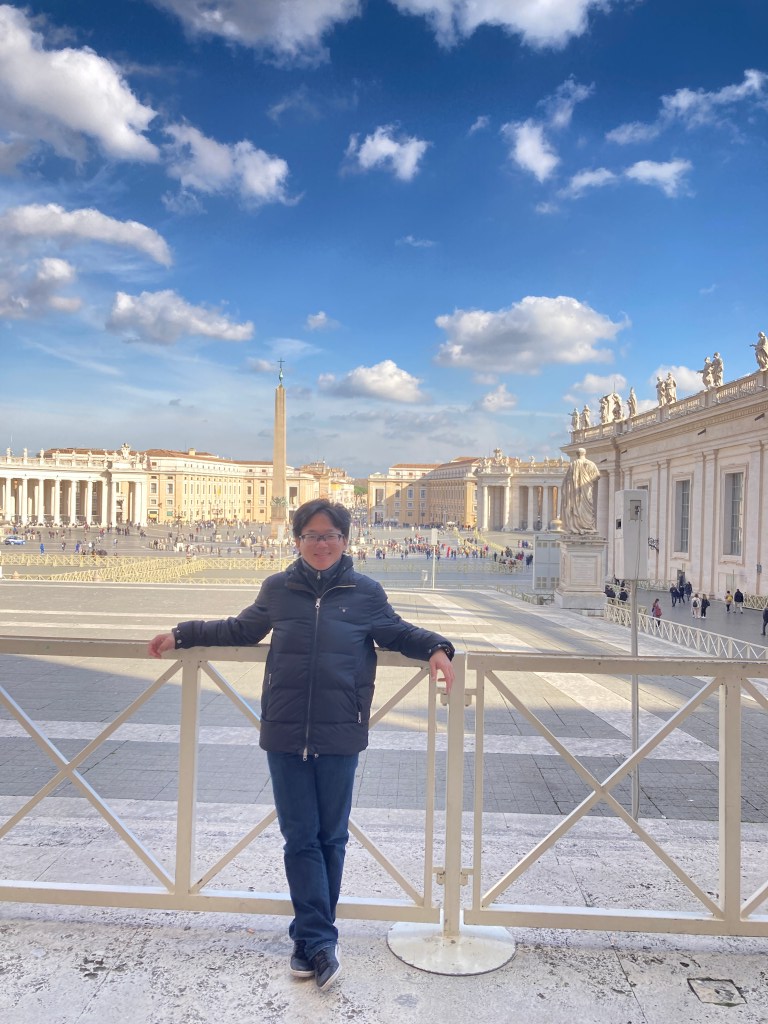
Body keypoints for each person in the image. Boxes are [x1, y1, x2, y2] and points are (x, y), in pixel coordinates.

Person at [147, 498, 455, 991]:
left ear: (345, 540)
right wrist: (183, 634)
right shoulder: (278, 588)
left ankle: (310, 939)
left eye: (330, 535)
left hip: (340, 729)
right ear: (297, 540)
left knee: (331, 837)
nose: (321, 544)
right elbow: (241, 629)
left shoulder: (366, 592)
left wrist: (437, 647)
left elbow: (397, 633)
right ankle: (319, 941)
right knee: (300, 838)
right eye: (312, 535)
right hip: (286, 729)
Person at [560, 448, 601, 535]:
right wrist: (589, 480)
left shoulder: (573, 464)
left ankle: (576, 526)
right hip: (587, 488)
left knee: (577, 506)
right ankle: (587, 526)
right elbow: (597, 475)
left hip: (575, 492)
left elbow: (567, 481)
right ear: (585, 453)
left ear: (577, 454)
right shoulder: (590, 463)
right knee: (587, 507)